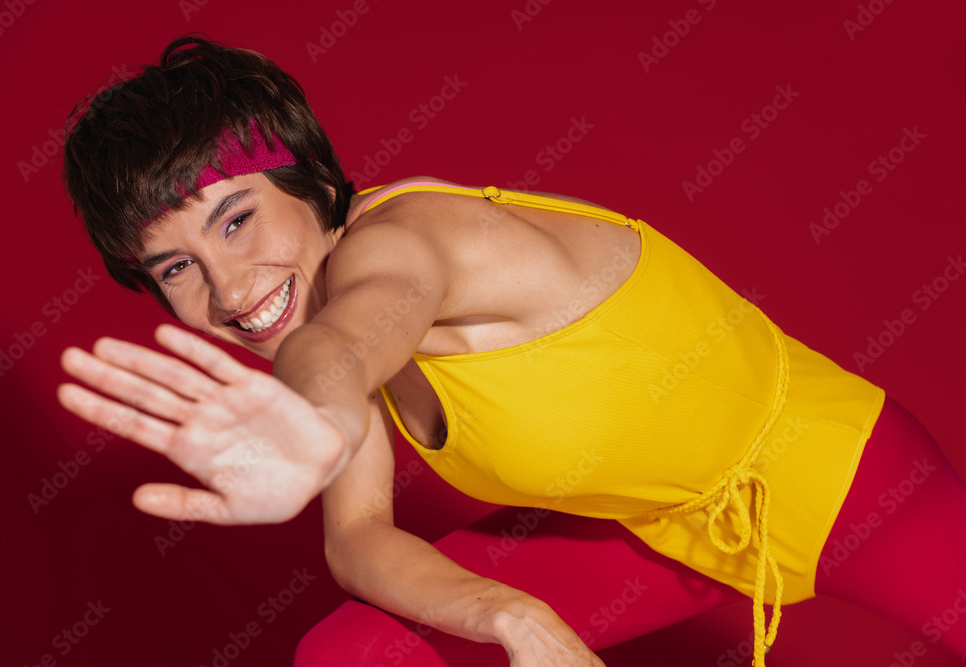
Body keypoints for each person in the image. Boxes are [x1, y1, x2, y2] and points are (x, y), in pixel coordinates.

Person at [57, 35, 966, 667]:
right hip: (657, 539)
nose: (227, 289)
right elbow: (361, 536)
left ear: (314, 182)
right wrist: (512, 614)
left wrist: (301, 419)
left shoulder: (402, 248)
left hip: (845, 487)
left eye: (239, 218)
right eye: (178, 265)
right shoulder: (329, 324)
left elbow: (339, 349)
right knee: (355, 653)